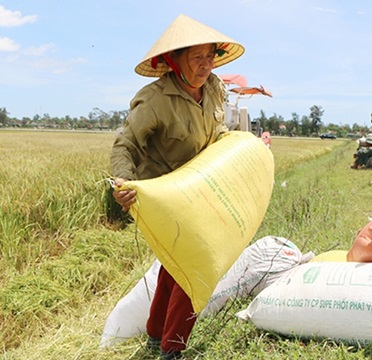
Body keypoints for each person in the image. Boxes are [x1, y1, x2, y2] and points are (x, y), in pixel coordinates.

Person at [110, 14, 244, 360]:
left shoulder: (215, 89)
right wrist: (122, 182)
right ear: (174, 60)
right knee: (194, 263)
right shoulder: (154, 99)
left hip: (202, 189)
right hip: (165, 195)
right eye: (196, 57)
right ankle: (173, 347)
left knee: (176, 264)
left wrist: (240, 152)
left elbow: (219, 134)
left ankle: (156, 332)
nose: (205, 65)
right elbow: (125, 145)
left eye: (210, 56)